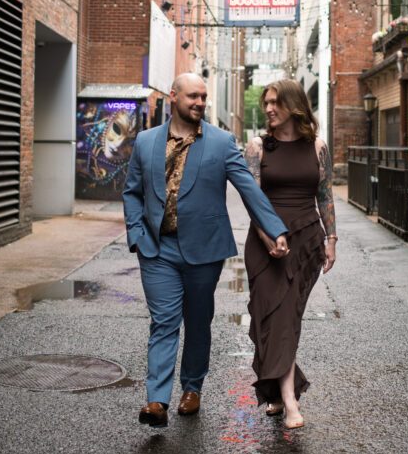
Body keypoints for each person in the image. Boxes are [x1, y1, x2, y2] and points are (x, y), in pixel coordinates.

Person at [123, 73, 290, 428]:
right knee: (164, 322)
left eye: (203, 97)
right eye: (193, 96)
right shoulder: (146, 141)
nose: (200, 102)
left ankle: (192, 386)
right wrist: (137, 234)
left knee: (198, 322)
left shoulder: (221, 142)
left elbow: (249, 190)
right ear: (173, 97)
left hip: (204, 251)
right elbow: (132, 192)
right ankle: (156, 400)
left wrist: (274, 229)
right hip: (157, 249)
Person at [243, 79, 337, 430]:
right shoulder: (257, 147)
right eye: (266, 103)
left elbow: (325, 195)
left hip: (306, 242)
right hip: (265, 242)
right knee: (269, 316)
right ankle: (288, 396)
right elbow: (252, 199)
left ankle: (282, 395)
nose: (268, 108)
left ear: (293, 105)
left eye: (274, 103)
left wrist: (332, 239)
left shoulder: (317, 147)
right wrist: (268, 236)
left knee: (287, 317)